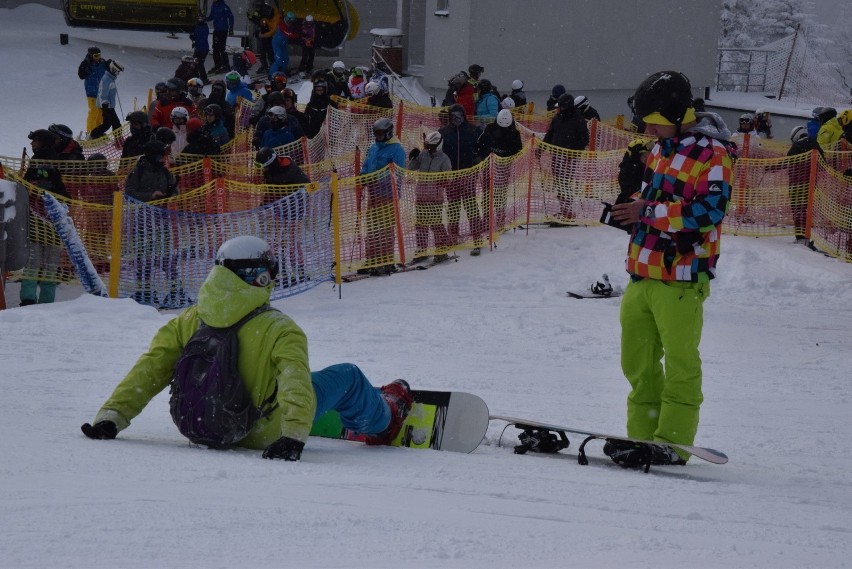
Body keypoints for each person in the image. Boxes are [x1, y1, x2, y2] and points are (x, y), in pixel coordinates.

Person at [80, 235, 414, 460]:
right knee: (348, 376)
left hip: (203, 427)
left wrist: (112, 416)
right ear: (261, 278)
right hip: (264, 434)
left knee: (298, 377)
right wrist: (293, 436)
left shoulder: (188, 320)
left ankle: (320, 411)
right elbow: (294, 378)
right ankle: (385, 419)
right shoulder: (280, 328)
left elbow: (150, 369)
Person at [608, 70, 734, 468]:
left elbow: (708, 213)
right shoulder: (661, 147)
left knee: (680, 364)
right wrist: (629, 204)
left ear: (678, 114)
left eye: (653, 118)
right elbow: (653, 198)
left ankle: (673, 444)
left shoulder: (713, 154)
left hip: (681, 278)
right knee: (638, 365)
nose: (646, 126)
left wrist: (648, 210)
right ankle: (641, 438)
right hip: (641, 272)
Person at [19, 129, 69, 306]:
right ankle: (41, 299)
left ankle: (30, 298)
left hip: (44, 221)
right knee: (47, 263)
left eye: (35, 141)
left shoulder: (47, 162)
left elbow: (63, 193)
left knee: (37, 261)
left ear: (44, 142)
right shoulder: (49, 160)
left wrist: (41, 189)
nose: (32, 144)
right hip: (46, 221)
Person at [360, 117, 406, 275]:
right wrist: (363, 176)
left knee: (385, 229)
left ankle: (385, 261)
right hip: (373, 194)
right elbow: (367, 164)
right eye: (376, 134)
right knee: (372, 228)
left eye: (380, 134)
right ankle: (371, 259)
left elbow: (398, 172)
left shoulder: (396, 149)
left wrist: (377, 178)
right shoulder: (373, 148)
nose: (377, 137)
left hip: (387, 195)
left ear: (388, 133)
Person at [257, 149, 311, 286]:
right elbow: (270, 190)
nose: (264, 170)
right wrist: (264, 204)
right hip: (279, 210)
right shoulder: (270, 172)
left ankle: (300, 271)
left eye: (266, 167)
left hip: (295, 210)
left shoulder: (289, 169)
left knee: (293, 242)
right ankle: (280, 272)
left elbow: (307, 184)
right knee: (277, 242)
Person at [438, 104, 485, 255]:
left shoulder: (473, 130)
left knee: (471, 206)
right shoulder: (444, 132)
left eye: (459, 116)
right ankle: (453, 235)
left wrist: (479, 157)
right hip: (451, 175)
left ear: (464, 116)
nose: (457, 119)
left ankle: (477, 237)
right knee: (453, 207)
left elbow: (484, 146)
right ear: (450, 117)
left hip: (468, 173)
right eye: (454, 116)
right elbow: (437, 150)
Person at [541, 93, 589, 222]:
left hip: (569, 157)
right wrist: (541, 148)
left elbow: (584, 139)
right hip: (556, 155)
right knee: (559, 183)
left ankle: (568, 211)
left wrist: (574, 153)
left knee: (565, 184)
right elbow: (550, 134)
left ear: (566, 106)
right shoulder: (557, 118)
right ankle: (564, 209)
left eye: (560, 106)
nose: (558, 109)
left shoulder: (578, 119)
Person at [408, 131, 452, 264]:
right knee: (421, 225)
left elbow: (448, 178)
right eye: (427, 146)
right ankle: (421, 250)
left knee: (436, 224)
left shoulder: (444, 159)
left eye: (431, 146)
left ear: (438, 145)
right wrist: (414, 157)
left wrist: (442, 181)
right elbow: (411, 168)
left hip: (435, 198)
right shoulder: (423, 155)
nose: (429, 149)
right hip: (421, 195)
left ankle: (441, 251)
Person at [476, 109, 523, 228]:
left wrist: (507, 155)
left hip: (503, 166)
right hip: (488, 164)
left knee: (500, 194)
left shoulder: (514, 133)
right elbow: (480, 143)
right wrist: (482, 156)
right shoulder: (490, 128)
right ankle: (487, 220)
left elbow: (518, 150)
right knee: (487, 193)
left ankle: (500, 219)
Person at [786, 125, 823, 245]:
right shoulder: (815, 144)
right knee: (807, 209)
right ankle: (806, 235)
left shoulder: (796, 147)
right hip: (811, 184)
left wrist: (770, 167)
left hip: (797, 184)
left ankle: (801, 237)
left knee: (798, 210)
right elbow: (823, 162)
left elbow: (787, 163)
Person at [78, 46, 108, 136]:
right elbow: (81, 75)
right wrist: (86, 67)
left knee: (101, 113)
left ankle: (98, 132)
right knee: (94, 112)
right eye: (96, 56)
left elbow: (109, 70)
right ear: (90, 56)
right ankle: (90, 132)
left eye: (99, 55)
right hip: (92, 93)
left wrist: (110, 64)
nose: (98, 58)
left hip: (102, 93)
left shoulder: (102, 62)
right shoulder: (86, 64)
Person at [90, 60, 125, 140]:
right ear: (113, 69)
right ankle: (118, 141)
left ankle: (94, 135)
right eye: (117, 71)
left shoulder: (110, 78)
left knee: (107, 124)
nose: (118, 74)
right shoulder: (106, 79)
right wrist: (105, 105)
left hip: (108, 106)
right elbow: (102, 93)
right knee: (116, 124)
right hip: (107, 106)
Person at [206, 0, 234, 74]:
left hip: (223, 30)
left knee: (222, 49)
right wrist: (204, 19)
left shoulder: (224, 6)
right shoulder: (214, 6)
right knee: (215, 48)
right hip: (216, 30)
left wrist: (231, 28)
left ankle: (225, 65)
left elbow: (231, 16)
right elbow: (211, 16)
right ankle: (217, 65)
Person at [189, 16, 210, 83]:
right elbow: (194, 35)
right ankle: (196, 77)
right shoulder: (196, 26)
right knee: (194, 63)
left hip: (203, 49)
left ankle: (204, 78)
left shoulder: (205, 27)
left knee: (200, 63)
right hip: (198, 48)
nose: (200, 20)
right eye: (199, 19)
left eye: (201, 19)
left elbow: (203, 38)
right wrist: (192, 37)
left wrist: (195, 40)